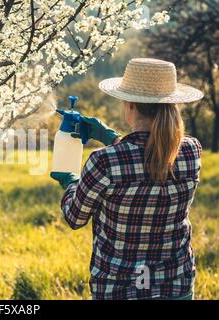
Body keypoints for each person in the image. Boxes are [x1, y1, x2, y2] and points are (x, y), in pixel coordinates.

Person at [51, 58, 204, 300]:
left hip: (117, 289)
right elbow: (150, 155)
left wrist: (72, 183)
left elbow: (74, 217)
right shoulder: (191, 151)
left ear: (130, 106)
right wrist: (113, 138)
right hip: (176, 285)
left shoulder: (104, 161)